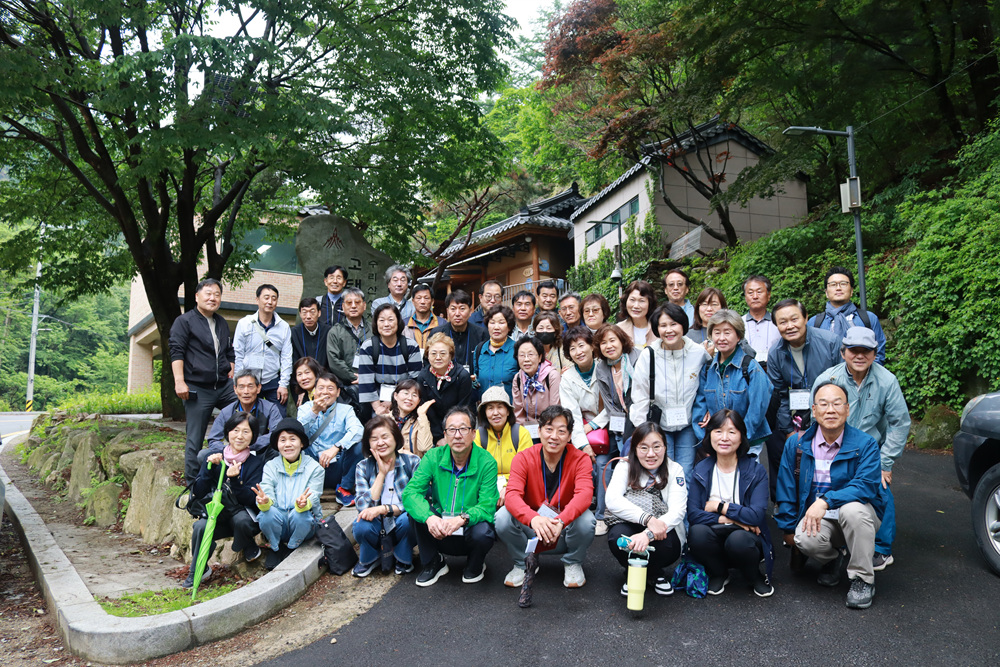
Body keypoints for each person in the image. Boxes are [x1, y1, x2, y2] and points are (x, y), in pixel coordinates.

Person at [775, 382, 885, 609]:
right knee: (804, 538)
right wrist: (788, 527)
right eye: (823, 404)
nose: (830, 410)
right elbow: (786, 487)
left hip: (858, 516)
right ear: (814, 411)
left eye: (837, 404)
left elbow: (865, 486)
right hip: (821, 519)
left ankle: (863, 579)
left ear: (848, 409)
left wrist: (826, 501)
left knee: (852, 510)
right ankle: (834, 558)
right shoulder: (797, 443)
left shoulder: (865, 444)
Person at [812, 327, 910, 571]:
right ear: (843, 352)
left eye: (866, 350)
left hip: (871, 450)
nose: (859, 355)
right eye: (853, 350)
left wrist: (885, 462)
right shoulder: (828, 378)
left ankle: (881, 548)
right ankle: (837, 542)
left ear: (875, 354)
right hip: (835, 448)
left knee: (881, 489)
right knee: (832, 491)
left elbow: (900, 423)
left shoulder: (887, 381)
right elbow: (816, 416)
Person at [497, 406, 596, 589]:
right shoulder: (523, 458)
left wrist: (561, 521)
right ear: (539, 431)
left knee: (587, 520)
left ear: (569, 435)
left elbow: (584, 495)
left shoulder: (581, 459)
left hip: (563, 529)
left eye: (561, 431)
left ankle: (573, 562)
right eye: (549, 429)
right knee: (502, 517)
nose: (554, 436)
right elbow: (511, 495)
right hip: (533, 527)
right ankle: (523, 563)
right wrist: (533, 518)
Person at [401, 407, 499, 586]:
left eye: (463, 429)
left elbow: (487, 505)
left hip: (468, 530)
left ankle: (475, 563)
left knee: (484, 531)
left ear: (474, 433)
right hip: (439, 530)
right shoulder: (433, 457)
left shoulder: (487, 462)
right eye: (452, 430)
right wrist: (429, 518)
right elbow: (410, 493)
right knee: (416, 512)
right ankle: (433, 562)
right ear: (445, 435)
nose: (457, 435)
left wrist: (462, 519)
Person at [183, 412, 276, 588]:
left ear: (253, 436)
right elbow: (199, 492)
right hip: (217, 515)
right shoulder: (215, 457)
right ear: (227, 432)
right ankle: (197, 570)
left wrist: (234, 480)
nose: (240, 436)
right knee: (200, 526)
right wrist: (209, 469)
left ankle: (247, 543)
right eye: (235, 430)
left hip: (243, 518)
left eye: (246, 432)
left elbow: (251, 499)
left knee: (241, 519)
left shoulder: (256, 463)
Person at [687, 410, 774, 597]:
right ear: (709, 435)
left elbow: (756, 516)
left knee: (738, 540)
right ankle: (719, 573)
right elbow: (693, 514)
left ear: (742, 437)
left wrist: (718, 506)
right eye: (718, 431)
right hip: (717, 532)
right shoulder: (701, 469)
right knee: (697, 533)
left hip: (746, 538)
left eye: (732, 432)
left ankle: (754, 576)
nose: (724, 438)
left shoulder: (755, 471)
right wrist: (734, 519)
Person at [766, 299, 841, 498]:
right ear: (776, 325)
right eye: (783, 322)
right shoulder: (776, 353)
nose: (789, 326)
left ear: (806, 318)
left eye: (794, 319)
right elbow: (781, 395)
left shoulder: (831, 342)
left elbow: (844, 385)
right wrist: (789, 431)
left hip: (830, 412)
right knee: (795, 462)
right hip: (797, 415)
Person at [604, 421, 686, 597]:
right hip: (631, 524)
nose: (651, 454)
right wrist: (648, 520)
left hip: (662, 530)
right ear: (635, 449)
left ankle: (653, 572)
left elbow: (677, 511)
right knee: (617, 537)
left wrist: (647, 534)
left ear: (665, 447)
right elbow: (612, 500)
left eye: (657, 447)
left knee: (669, 546)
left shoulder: (675, 470)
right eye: (644, 447)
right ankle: (635, 571)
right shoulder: (624, 466)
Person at [629, 303, 710, 478]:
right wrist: (642, 429)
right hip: (659, 425)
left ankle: (684, 498)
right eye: (663, 325)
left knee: (685, 473)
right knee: (663, 472)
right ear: (657, 329)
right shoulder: (648, 355)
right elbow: (640, 394)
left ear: (683, 324)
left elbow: (709, 384)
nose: (669, 330)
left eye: (674, 324)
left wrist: (709, 409)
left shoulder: (698, 353)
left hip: (687, 424)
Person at [169, 278, 237, 483]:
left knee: (245, 414)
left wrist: (231, 368)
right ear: (197, 296)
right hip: (198, 387)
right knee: (195, 437)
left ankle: (239, 468)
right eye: (208, 293)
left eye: (217, 294)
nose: (212, 298)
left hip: (223, 386)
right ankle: (193, 483)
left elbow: (229, 351)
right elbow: (176, 351)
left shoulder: (221, 322)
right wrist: (179, 381)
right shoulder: (184, 321)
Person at [692, 310, 773, 456]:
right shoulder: (707, 369)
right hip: (717, 444)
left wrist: (740, 439)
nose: (721, 338)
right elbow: (700, 407)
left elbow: (757, 408)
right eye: (717, 332)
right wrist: (706, 441)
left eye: (727, 332)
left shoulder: (750, 367)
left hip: (748, 444)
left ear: (738, 336)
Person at [352, 416, 422, 577]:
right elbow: (362, 507)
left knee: (411, 519)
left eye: (385, 437)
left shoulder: (412, 462)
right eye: (374, 439)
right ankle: (370, 558)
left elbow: (417, 500)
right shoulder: (363, 466)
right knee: (361, 525)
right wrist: (381, 474)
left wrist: (385, 509)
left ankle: (403, 556)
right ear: (368, 443)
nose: (380, 443)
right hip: (377, 526)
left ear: (395, 438)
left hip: (401, 523)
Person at [254, 418, 325, 570]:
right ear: (277, 444)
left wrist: (304, 503)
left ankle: (293, 546)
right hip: (279, 520)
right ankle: (276, 547)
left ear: (302, 443)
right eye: (283, 440)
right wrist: (265, 501)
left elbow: (314, 493)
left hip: (303, 523)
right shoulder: (270, 466)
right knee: (266, 514)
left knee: (301, 515)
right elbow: (266, 489)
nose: (287, 444)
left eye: (293, 439)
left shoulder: (315, 468)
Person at [593, 323, 639, 534]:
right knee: (604, 463)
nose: (609, 346)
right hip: (618, 424)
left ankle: (634, 514)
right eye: (603, 343)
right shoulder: (602, 367)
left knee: (632, 465)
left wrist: (634, 422)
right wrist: (621, 427)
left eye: (612, 340)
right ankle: (602, 516)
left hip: (640, 420)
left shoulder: (638, 358)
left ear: (622, 341)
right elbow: (608, 403)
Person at [298, 372, 364, 505]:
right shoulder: (305, 408)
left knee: (359, 446)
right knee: (292, 445)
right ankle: (301, 490)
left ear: (338, 392)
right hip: (311, 464)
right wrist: (314, 412)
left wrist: (336, 447)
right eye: (321, 388)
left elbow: (358, 430)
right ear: (314, 391)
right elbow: (297, 433)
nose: (325, 392)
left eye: (330, 388)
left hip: (337, 464)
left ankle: (344, 488)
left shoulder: (346, 410)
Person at [356, 303, 423, 420]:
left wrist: (394, 400)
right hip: (376, 399)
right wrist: (378, 408)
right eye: (381, 320)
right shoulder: (368, 347)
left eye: (391, 320)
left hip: (404, 397)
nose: (386, 324)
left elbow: (414, 379)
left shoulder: (411, 346)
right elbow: (366, 381)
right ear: (376, 323)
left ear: (398, 322)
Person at [233, 284, 292, 415]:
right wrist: (239, 383)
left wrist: (283, 384)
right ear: (257, 300)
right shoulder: (244, 323)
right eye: (266, 297)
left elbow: (286, 358)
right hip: (249, 380)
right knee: (246, 418)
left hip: (272, 380)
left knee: (278, 418)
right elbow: (238, 355)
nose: (270, 302)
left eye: (274, 298)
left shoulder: (284, 327)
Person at [810, 266, 887, 365]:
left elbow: (878, 354)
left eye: (843, 284)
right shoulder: (814, 323)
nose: (838, 288)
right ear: (826, 293)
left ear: (851, 291)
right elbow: (809, 356)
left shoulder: (868, 318)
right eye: (833, 284)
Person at [203, 371, 282, 462]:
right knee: (203, 455)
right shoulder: (227, 412)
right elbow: (213, 439)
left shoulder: (270, 408)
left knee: (276, 451)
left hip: (259, 453)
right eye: (241, 387)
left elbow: (277, 433)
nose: (246, 392)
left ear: (258, 388)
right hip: (232, 454)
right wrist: (232, 449)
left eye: (250, 386)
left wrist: (249, 444)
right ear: (235, 389)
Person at [474, 386, 534, 500]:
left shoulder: (521, 433)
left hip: (516, 488)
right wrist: (491, 491)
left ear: (508, 411)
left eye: (500, 407)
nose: (495, 413)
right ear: (484, 413)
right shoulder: (478, 436)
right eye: (490, 408)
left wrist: (509, 487)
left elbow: (527, 469)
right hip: (487, 488)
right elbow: (477, 470)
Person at [560, 327, 608, 459]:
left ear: (592, 346)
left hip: (610, 426)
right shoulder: (567, 378)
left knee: (602, 464)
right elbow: (572, 414)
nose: (578, 352)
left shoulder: (605, 368)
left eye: (581, 345)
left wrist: (593, 425)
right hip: (582, 431)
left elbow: (614, 405)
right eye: (572, 348)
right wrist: (583, 444)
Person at [418, 333, 474, 444]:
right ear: (427, 355)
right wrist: (439, 437)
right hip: (432, 430)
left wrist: (450, 435)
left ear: (450, 355)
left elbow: (464, 408)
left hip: (458, 429)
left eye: (443, 353)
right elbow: (428, 411)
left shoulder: (462, 376)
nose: (438, 357)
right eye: (433, 353)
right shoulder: (423, 377)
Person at [511, 337, 561, 438]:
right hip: (528, 430)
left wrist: (543, 432)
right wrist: (522, 435)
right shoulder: (518, 378)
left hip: (550, 429)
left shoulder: (552, 376)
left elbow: (555, 411)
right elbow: (518, 413)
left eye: (530, 354)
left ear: (540, 357)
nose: (526, 359)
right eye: (521, 355)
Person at [430, 290, 488, 376]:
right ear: (447, 311)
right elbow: (428, 363)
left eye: (462, 309)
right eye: (453, 309)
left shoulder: (481, 334)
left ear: (470, 311)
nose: (457, 314)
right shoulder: (437, 333)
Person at [326, 287, 370, 400]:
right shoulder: (335, 331)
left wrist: (367, 377)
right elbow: (334, 360)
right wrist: (353, 377)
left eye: (357, 302)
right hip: (345, 388)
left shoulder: (374, 329)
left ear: (364, 305)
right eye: (349, 303)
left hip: (371, 384)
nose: (353, 306)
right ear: (343, 306)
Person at [473, 304, 518, 401]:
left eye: (501, 323)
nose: (496, 327)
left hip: (510, 407)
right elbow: (476, 379)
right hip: (485, 407)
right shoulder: (480, 349)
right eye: (492, 322)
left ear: (509, 327)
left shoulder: (517, 349)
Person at [390, 379, 435, 457]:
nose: (410, 398)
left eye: (414, 395)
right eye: (406, 393)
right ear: (395, 396)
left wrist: (422, 415)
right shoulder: (384, 420)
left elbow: (425, 448)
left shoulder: (420, 421)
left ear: (419, 401)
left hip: (415, 464)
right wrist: (403, 452)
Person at [742, 275, 780, 366]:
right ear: (745, 297)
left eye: (759, 292)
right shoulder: (738, 323)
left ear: (768, 295)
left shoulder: (779, 322)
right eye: (750, 293)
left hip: (774, 370)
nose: (755, 296)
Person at [291, 297, 330, 371]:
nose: (308, 316)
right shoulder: (294, 333)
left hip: (323, 375)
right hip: (302, 374)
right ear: (300, 314)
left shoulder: (328, 332)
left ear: (319, 313)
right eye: (304, 312)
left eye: (312, 312)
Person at [616, 280, 658, 348]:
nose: (636, 306)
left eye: (642, 301)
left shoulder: (659, 328)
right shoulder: (618, 329)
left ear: (650, 304)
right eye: (632, 300)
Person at [685, 287, 726, 352]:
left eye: (714, 304)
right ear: (698, 308)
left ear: (723, 308)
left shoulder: (731, 333)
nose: (709, 309)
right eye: (704, 304)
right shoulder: (688, 337)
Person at [405, 283, 439, 350]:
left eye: (426, 298)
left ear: (432, 302)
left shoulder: (441, 323)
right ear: (413, 301)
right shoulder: (404, 324)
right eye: (419, 298)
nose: (422, 302)